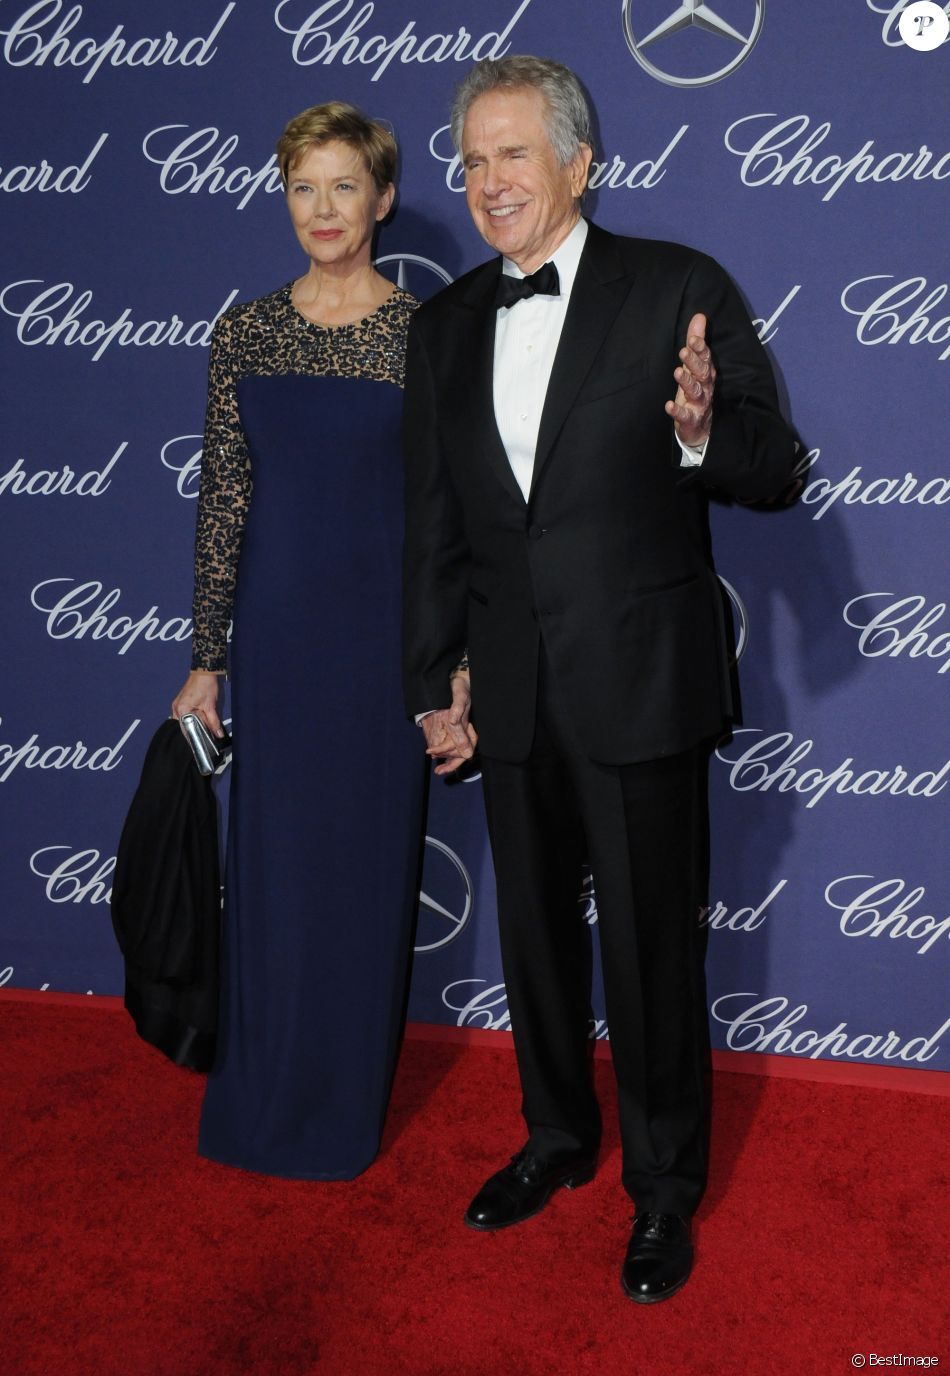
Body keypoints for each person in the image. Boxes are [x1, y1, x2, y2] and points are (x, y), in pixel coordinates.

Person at [402, 57, 798, 1301]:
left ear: (580, 161)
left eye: (513, 153)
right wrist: (436, 676)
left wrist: (694, 428)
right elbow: (436, 526)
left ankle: (663, 1187)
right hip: (508, 686)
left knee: (646, 952)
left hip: (639, 679)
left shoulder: (676, 286)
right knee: (532, 944)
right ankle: (558, 1136)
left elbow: (770, 463)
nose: (488, 181)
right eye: (471, 159)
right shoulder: (447, 321)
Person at [171, 101, 425, 1179]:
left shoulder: (424, 332)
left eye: (341, 186)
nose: (321, 209)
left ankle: (338, 1101)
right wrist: (207, 652)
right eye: (301, 188)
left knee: (360, 869)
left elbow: (441, 510)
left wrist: (445, 658)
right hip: (276, 634)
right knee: (273, 871)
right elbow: (225, 497)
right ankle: (264, 1087)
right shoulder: (245, 330)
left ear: (381, 198)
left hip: (378, 640)